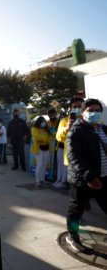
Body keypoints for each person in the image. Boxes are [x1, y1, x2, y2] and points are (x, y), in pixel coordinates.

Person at [66, 98, 107, 252]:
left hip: (103, 178)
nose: (94, 113)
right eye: (91, 111)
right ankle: (73, 236)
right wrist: (88, 176)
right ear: (83, 113)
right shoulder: (77, 130)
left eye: (97, 111)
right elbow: (74, 157)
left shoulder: (103, 129)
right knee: (76, 210)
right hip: (83, 180)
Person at [31, 116, 53, 189]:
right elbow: (37, 137)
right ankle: (37, 182)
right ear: (39, 122)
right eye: (42, 121)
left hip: (46, 149)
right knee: (39, 165)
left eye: (44, 122)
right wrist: (45, 138)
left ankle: (42, 180)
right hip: (38, 149)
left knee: (44, 165)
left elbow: (50, 138)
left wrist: (43, 139)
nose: (43, 123)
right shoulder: (34, 129)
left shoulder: (46, 129)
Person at [53, 111, 68, 188]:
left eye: (63, 116)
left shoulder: (67, 124)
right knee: (60, 165)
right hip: (59, 148)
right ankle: (58, 179)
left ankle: (63, 181)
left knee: (64, 166)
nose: (61, 117)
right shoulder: (59, 125)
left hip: (66, 148)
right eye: (60, 116)